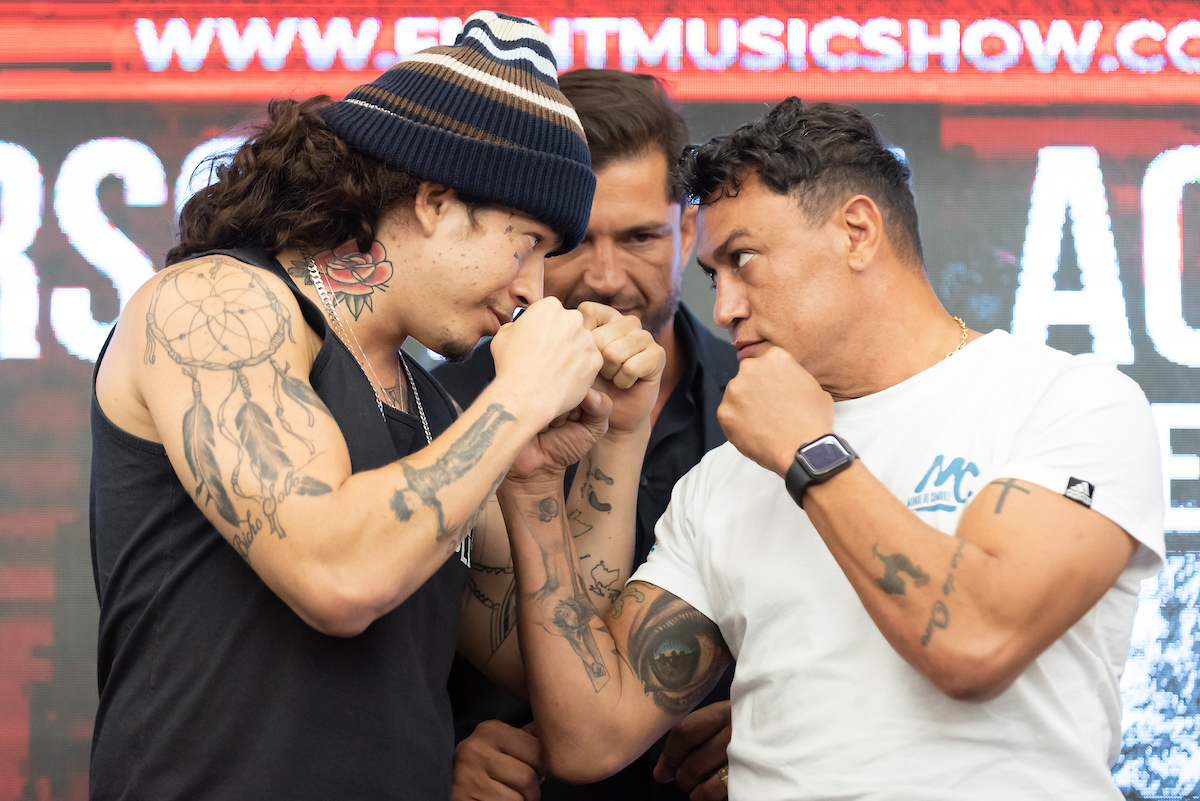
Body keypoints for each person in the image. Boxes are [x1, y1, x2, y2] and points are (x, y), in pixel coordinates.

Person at [498, 97, 1165, 800]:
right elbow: (590, 735)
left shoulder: (1066, 402)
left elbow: (974, 642)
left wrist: (809, 450)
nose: (723, 308)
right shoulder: (725, 477)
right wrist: (532, 484)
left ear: (856, 232)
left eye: (744, 260)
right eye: (714, 276)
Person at [88, 12, 665, 800]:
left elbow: (549, 666)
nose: (534, 289)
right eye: (525, 243)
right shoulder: (216, 303)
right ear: (435, 201)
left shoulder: (432, 410)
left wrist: (615, 436)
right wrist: (518, 399)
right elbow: (336, 575)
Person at [435, 69, 739, 801]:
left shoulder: (768, 407)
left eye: (639, 237)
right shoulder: (444, 409)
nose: (605, 277)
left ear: (687, 231)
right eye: (575, 242)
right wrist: (432, 756)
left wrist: (776, 719)